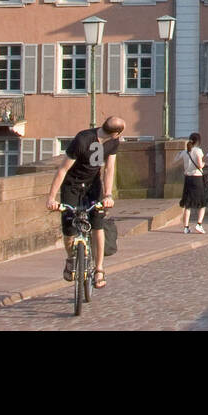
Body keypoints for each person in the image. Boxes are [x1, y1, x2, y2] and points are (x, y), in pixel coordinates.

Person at [47, 116, 124, 289]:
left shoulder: (113, 142)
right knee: (69, 227)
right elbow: (63, 169)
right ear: (116, 132)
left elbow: (109, 169)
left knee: (98, 224)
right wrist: (51, 199)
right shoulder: (82, 139)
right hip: (72, 185)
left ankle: (99, 269)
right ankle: (71, 258)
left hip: (93, 186)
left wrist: (108, 195)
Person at [178, 132, 206, 234]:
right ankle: (199, 224)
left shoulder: (185, 152)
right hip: (197, 178)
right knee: (201, 203)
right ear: (198, 141)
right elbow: (199, 165)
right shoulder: (198, 151)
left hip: (187, 178)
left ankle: (186, 227)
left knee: (187, 204)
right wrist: (203, 164)